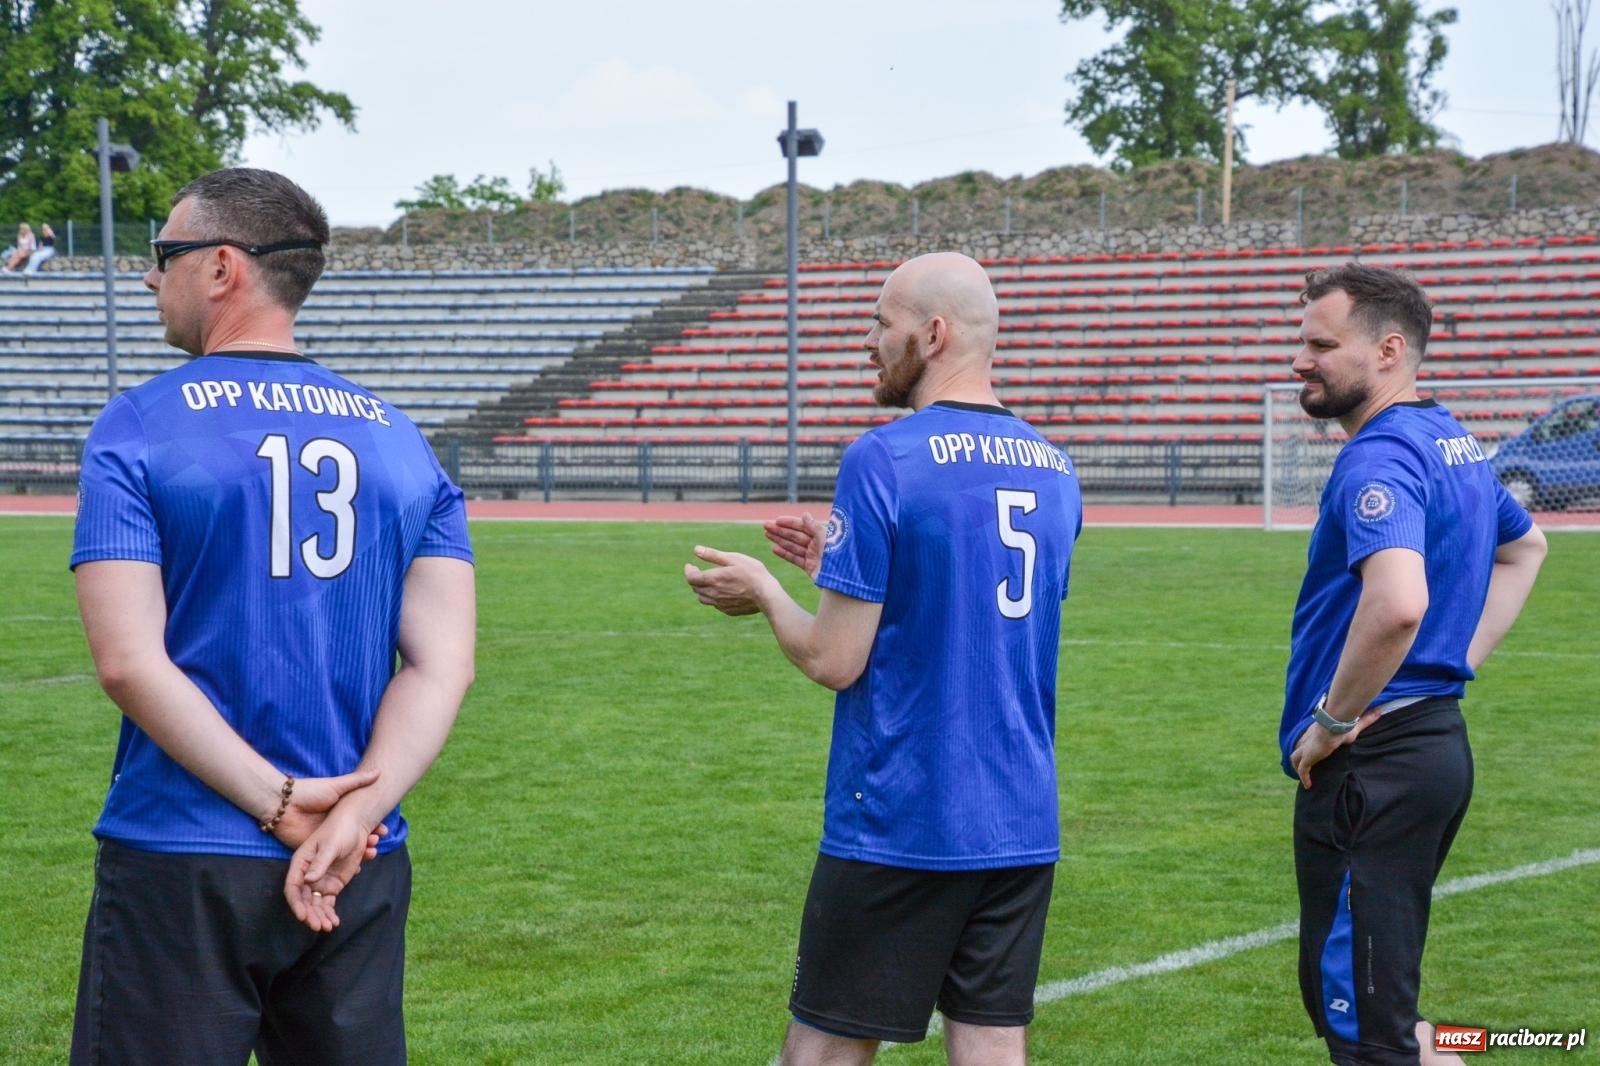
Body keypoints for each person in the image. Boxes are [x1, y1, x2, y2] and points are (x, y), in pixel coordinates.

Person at [69, 167, 476, 1065]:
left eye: (164, 255)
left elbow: (129, 663)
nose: (149, 277)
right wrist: (348, 817)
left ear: (221, 268)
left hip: (184, 850)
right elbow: (444, 665)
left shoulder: (136, 425)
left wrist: (285, 806)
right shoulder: (403, 439)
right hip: (358, 859)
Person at [685, 252, 1083, 1066]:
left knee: (823, 1052)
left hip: (905, 813)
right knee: (991, 1045)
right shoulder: (1056, 468)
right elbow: (965, 599)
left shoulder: (886, 455)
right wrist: (836, 569)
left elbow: (835, 659)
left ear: (933, 334)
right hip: (1018, 815)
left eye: (882, 322)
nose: (868, 341)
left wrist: (765, 589)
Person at [1279, 263, 1546, 1066]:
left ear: (1389, 350)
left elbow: (1397, 603)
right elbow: (1524, 546)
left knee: (1364, 1026)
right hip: (1430, 745)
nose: (1300, 360)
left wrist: (1330, 723)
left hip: (1377, 767)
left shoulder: (1380, 457)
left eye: (1322, 344)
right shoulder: (1448, 437)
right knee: (1374, 1009)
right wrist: (1450, 665)